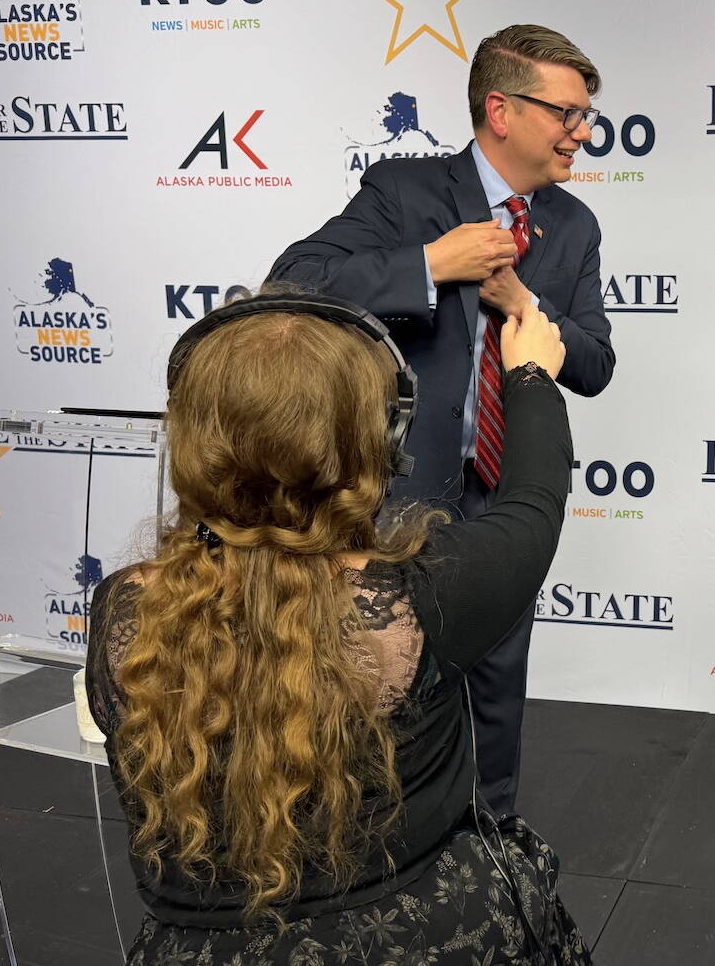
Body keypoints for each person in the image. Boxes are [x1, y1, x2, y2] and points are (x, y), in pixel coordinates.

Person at [84, 287, 589, 965]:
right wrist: (528, 374)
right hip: (435, 940)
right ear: (381, 440)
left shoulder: (122, 606)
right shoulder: (423, 597)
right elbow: (533, 503)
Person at [268, 23, 614, 816]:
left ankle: (493, 841)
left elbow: (593, 364)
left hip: (506, 495)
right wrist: (429, 264)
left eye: (585, 115)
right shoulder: (404, 191)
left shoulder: (573, 226)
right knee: (381, 679)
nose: (583, 133)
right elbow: (296, 279)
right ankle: (378, 842)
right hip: (395, 496)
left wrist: (523, 303)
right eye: (567, 114)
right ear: (502, 108)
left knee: (497, 681)